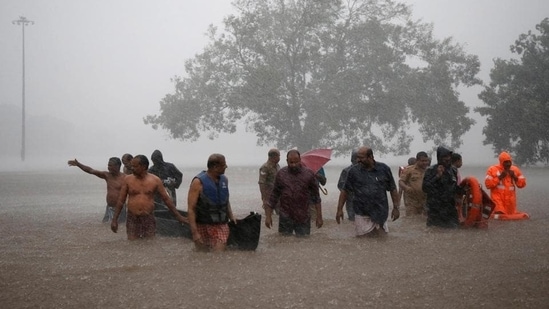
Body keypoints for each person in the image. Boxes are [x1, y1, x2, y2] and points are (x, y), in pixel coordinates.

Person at [110, 155, 187, 240]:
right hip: (132, 217)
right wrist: (114, 219)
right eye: (132, 166)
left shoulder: (155, 180)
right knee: (132, 244)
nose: (132, 168)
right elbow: (121, 201)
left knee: (150, 244)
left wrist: (179, 216)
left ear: (143, 166)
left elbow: (167, 200)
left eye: (135, 166)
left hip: (148, 217)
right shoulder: (128, 179)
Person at [336, 146, 400, 237]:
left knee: (382, 239)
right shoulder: (353, 171)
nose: (358, 160)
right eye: (357, 157)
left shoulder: (384, 169)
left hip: (380, 211)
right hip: (361, 212)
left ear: (370, 157)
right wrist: (339, 210)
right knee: (363, 240)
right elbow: (344, 191)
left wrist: (396, 208)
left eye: (361, 158)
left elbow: (393, 189)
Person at [265, 149, 323, 237]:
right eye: (291, 162)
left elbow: (316, 197)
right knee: (284, 242)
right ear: (287, 161)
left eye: (296, 162)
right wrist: (268, 216)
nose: (293, 165)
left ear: (300, 160)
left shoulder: (309, 174)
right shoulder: (281, 174)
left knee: (303, 242)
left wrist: (319, 217)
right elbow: (274, 196)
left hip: (303, 216)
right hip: (285, 216)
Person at [187, 153, 236, 252]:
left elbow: (225, 200)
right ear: (215, 167)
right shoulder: (198, 182)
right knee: (203, 256)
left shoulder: (224, 180)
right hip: (202, 225)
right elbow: (191, 209)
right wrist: (195, 233)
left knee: (218, 256)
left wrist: (231, 216)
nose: (226, 166)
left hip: (221, 225)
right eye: (224, 164)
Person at [67, 157, 127, 223]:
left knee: (120, 226)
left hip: (120, 209)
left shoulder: (125, 178)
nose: (108, 167)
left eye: (110, 165)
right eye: (108, 165)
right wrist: (78, 164)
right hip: (109, 208)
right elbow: (91, 171)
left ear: (117, 166)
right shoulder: (107, 175)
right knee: (106, 227)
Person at [422, 146, 460, 228]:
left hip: (450, 207)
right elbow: (425, 187)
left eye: (449, 156)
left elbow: (455, 187)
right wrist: (437, 176)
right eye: (445, 157)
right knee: (435, 231)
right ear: (439, 158)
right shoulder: (431, 170)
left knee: (454, 231)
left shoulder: (453, 170)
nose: (447, 159)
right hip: (435, 208)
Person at [485, 151, 527, 218]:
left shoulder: (515, 170)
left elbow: (522, 184)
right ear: (501, 162)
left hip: (510, 202)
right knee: (500, 216)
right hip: (497, 200)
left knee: (510, 217)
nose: (508, 164)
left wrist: (514, 177)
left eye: (509, 162)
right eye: (506, 162)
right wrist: (500, 177)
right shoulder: (492, 169)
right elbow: (488, 185)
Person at [399, 151, 430, 216]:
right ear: (417, 161)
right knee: (412, 220)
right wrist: (407, 188)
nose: (425, 163)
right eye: (422, 161)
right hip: (412, 202)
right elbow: (401, 182)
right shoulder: (409, 170)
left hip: (425, 201)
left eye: (426, 161)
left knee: (424, 221)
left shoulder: (429, 171)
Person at [337, 149, 358, 221]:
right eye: (356, 158)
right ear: (352, 159)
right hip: (351, 201)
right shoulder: (346, 171)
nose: (358, 160)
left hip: (366, 202)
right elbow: (341, 186)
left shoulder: (367, 171)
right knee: (353, 220)